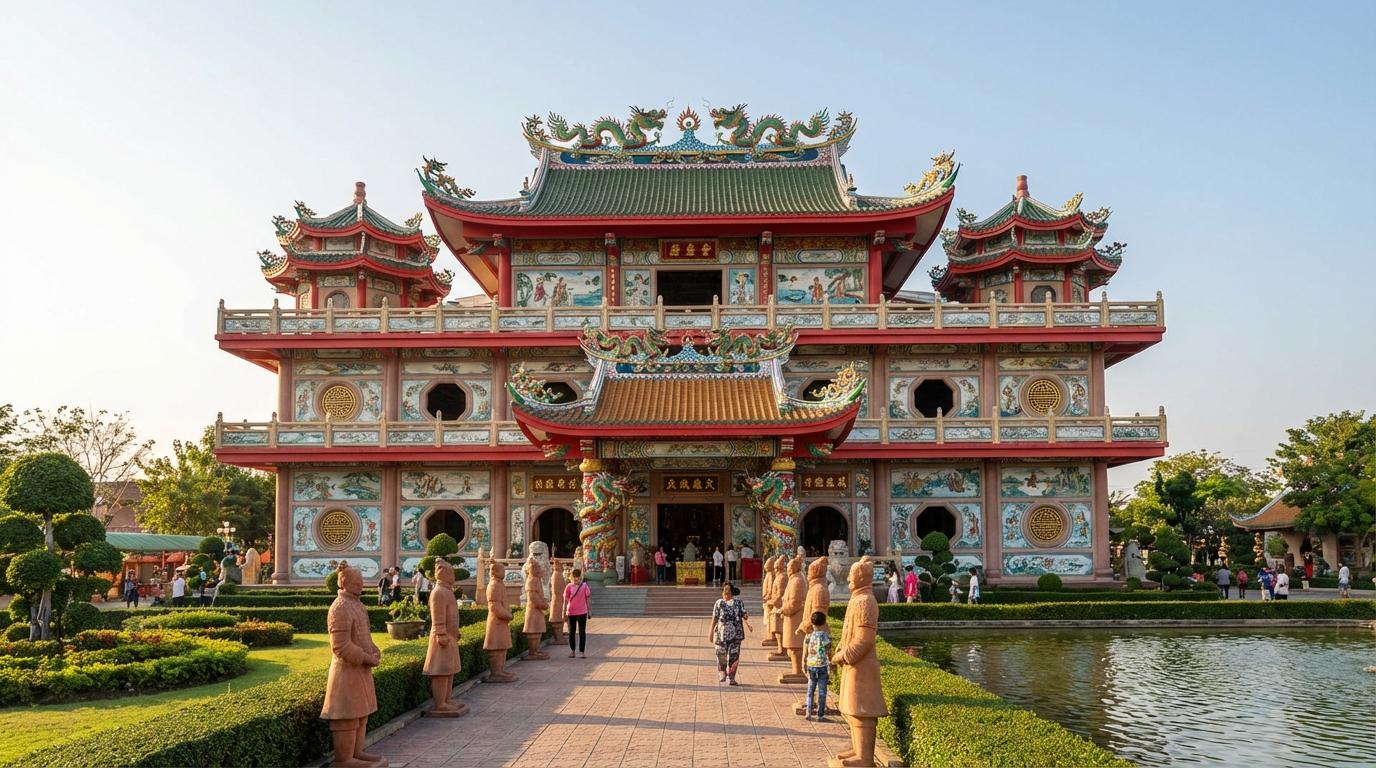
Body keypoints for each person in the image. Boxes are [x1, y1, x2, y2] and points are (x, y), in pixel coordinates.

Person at [708, 582, 752, 685]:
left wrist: (746, 616)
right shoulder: (719, 603)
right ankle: (722, 674)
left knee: (734, 656)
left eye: (728, 589)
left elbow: (744, 614)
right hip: (720, 635)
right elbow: (714, 618)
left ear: (732, 592)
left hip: (736, 634)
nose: (726, 592)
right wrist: (710, 632)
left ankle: (731, 677)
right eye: (724, 590)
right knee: (720, 655)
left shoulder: (738, 602)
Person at [802, 610, 831, 721]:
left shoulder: (808, 636)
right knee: (822, 691)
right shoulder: (825, 636)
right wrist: (831, 660)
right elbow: (828, 650)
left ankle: (808, 712)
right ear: (824, 623)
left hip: (811, 665)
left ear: (812, 622)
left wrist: (803, 663)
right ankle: (820, 715)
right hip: (822, 665)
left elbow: (805, 651)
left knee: (810, 690)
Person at [564, 567, 592, 658]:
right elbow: (565, 600)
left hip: (582, 612)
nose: (577, 581)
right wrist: (563, 612)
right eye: (575, 579)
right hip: (571, 612)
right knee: (571, 632)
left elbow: (588, 599)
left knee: (582, 632)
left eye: (579, 579)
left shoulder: (584, 586)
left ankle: (582, 652)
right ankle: (572, 651)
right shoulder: (568, 587)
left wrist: (589, 611)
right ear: (571, 578)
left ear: (581, 578)